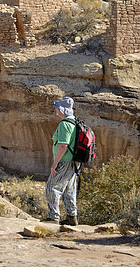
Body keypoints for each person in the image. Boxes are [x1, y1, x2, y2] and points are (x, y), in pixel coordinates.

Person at [44, 96, 79, 226]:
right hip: (74, 162)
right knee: (69, 189)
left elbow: (63, 145)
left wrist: (55, 163)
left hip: (64, 161)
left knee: (52, 187)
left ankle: (53, 217)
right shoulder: (75, 122)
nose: (55, 109)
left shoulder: (65, 124)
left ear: (62, 109)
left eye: (57, 107)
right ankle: (72, 216)